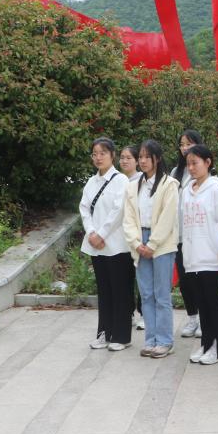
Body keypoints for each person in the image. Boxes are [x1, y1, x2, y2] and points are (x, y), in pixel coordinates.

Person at [123, 139, 179, 358]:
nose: (143, 161)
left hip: (161, 243)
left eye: (148, 157)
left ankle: (165, 341)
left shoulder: (169, 184)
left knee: (161, 294)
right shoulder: (133, 186)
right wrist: (137, 243)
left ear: (158, 158)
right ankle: (151, 339)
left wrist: (152, 244)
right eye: (141, 157)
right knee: (146, 294)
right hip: (140, 241)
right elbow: (128, 218)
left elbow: (168, 217)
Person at [80, 137, 133, 351]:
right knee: (104, 291)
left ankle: (121, 336)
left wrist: (101, 234)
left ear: (112, 155)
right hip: (96, 246)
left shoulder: (121, 180)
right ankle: (104, 332)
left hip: (117, 245)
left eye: (102, 153)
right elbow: (84, 208)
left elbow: (118, 211)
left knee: (121, 291)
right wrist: (92, 233)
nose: (98, 157)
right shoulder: (91, 182)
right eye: (95, 154)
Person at [181, 144, 218, 365]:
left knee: (214, 304)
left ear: (208, 163)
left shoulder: (216, 190)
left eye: (195, 163)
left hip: (212, 258)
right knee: (202, 304)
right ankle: (207, 343)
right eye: (188, 164)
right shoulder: (187, 190)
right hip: (192, 258)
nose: (191, 168)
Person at [171, 130, 203, 339]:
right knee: (185, 280)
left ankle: (203, 318)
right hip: (179, 235)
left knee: (198, 278)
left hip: (198, 235)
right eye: (182, 144)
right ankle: (192, 317)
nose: (184, 148)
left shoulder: (205, 172)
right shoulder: (176, 172)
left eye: (189, 144)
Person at [119, 145, 144, 330]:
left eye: (129, 158)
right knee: (125, 278)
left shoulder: (142, 180)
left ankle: (143, 314)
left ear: (137, 161)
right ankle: (128, 313)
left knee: (142, 278)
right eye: (122, 157)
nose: (124, 161)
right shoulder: (117, 180)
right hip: (120, 238)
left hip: (138, 236)